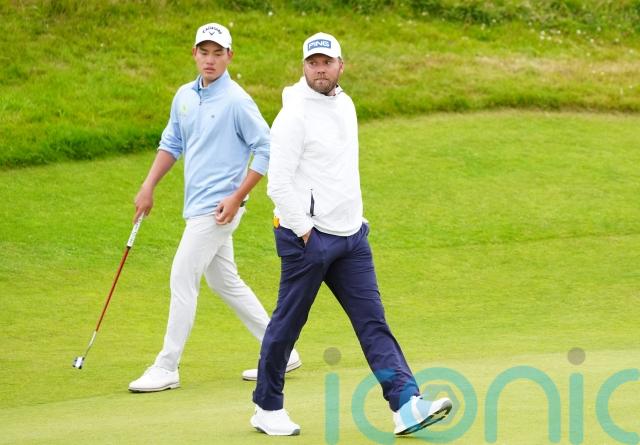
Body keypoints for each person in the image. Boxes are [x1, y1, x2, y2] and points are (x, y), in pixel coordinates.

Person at [249, 32, 452, 436]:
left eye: (327, 62)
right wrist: (306, 232)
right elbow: (278, 184)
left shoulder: (346, 105)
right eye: (312, 63)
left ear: (342, 65)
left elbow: (340, 171)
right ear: (304, 67)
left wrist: (356, 220)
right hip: (306, 239)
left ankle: (405, 405)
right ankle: (266, 408)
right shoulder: (293, 116)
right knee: (288, 324)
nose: (319, 70)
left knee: (373, 323)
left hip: (351, 238)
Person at [128, 22, 301, 393]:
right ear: (194, 54)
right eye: (204, 52)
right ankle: (282, 351)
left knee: (182, 276)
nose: (210, 60)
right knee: (224, 281)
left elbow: (266, 148)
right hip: (197, 205)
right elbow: (172, 142)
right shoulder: (184, 96)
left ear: (229, 56)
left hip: (219, 208)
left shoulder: (237, 101)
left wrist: (237, 196)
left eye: (217, 53)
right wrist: (148, 185)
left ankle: (166, 366)